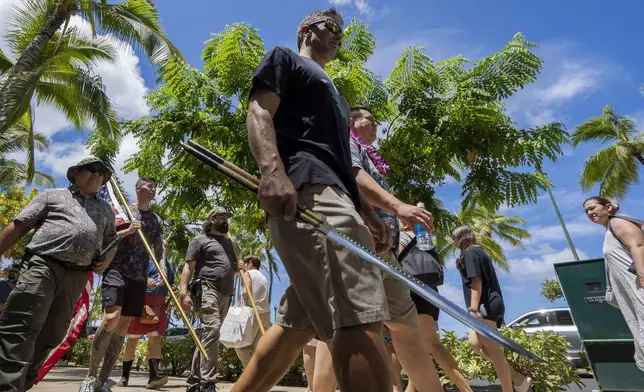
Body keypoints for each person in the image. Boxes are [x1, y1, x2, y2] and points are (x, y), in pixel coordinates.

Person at [233, 7, 393, 392]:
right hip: (309, 192)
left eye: (343, 32)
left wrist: (368, 213)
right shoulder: (285, 58)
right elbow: (259, 111)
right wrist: (272, 171)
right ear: (306, 30)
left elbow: (339, 160)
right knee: (357, 310)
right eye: (332, 28)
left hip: (335, 195)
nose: (339, 36)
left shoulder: (337, 96)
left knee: (295, 325)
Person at [313, 105, 442, 392]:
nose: (375, 127)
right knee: (343, 325)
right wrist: (398, 206)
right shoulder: (345, 141)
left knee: (408, 331)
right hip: (356, 244)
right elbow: (352, 175)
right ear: (352, 122)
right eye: (370, 121)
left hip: (386, 254)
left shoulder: (371, 155)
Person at [0, 157, 119, 392]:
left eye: (102, 173)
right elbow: (19, 225)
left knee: (52, 333)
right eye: (91, 170)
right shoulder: (52, 195)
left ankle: (22, 384)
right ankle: (7, 387)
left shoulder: (106, 210)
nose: (97, 175)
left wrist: (107, 259)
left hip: (77, 276)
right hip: (44, 265)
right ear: (75, 173)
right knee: (23, 325)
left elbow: (112, 241)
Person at [80, 177, 164, 392]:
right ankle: (90, 376)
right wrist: (127, 231)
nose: (153, 189)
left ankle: (103, 381)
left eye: (155, 187)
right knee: (110, 318)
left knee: (123, 326)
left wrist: (161, 269)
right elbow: (107, 238)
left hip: (139, 276)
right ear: (138, 188)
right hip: (116, 270)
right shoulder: (124, 211)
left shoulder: (156, 220)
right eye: (149, 185)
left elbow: (158, 250)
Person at [451, 225, 531, 392]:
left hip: (484, 304)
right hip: (488, 303)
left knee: (493, 350)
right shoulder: (479, 251)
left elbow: (476, 281)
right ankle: (516, 377)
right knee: (475, 344)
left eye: (454, 239)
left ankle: (511, 387)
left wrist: (474, 309)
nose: (454, 243)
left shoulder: (471, 253)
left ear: (461, 238)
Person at [398, 223, 472, 392]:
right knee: (421, 347)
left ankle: (466, 389)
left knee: (431, 345)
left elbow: (396, 261)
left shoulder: (403, 237)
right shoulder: (425, 240)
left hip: (412, 293)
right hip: (429, 293)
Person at [180, 207, 242, 392]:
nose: (225, 220)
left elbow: (232, 270)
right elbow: (188, 267)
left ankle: (193, 382)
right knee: (212, 328)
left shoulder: (230, 243)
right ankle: (208, 383)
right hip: (206, 288)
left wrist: (237, 267)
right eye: (221, 217)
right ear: (211, 219)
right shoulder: (200, 240)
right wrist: (183, 293)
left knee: (210, 335)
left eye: (226, 218)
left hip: (226, 292)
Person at [583, 196, 644, 371]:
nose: (589, 213)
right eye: (586, 211)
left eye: (593, 208)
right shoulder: (610, 229)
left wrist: (642, 279)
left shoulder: (617, 222)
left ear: (608, 207)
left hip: (639, 289)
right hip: (633, 292)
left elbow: (638, 246)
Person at [119, 239, 175, 388]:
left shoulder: (169, 266)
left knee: (155, 340)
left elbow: (171, 283)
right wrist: (146, 280)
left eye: (166, 246)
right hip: (140, 303)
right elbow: (132, 277)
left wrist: (172, 288)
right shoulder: (144, 262)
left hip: (159, 306)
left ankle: (154, 377)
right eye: (161, 245)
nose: (164, 248)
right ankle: (124, 377)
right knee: (132, 340)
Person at [234, 255, 271, 368]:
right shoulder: (263, 277)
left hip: (253, 312)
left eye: (245, 263)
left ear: (250, 263)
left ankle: (250, 372)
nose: (244, 266)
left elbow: (246, 292)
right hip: (265, 313)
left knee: (239, 344)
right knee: (258, 347)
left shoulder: (247, 274)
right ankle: (259, 374)